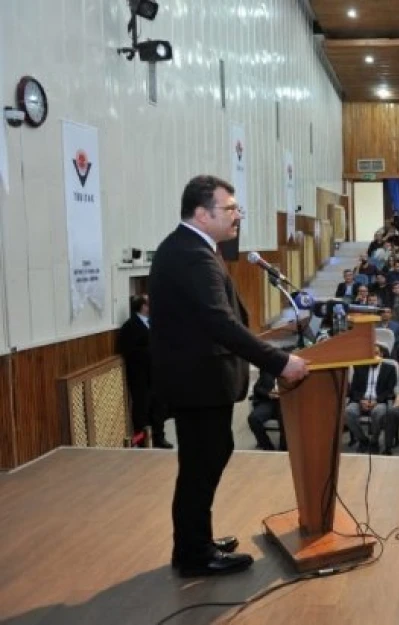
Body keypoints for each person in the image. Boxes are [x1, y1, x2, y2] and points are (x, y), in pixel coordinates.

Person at [150, 175, 309, 578]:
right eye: (231, 208)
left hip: (198, 381)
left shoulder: (192, 248)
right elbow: (218, 322)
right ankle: (193, 553)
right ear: (203, 214)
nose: (238, 215)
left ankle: (194, 541)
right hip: (199, 383)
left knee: (204, 462)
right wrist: (279, 362)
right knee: (201, 466)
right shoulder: (192, 254)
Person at [118, 293, 171, 448]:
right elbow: (128, 350)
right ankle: (142, 440)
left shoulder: (156, 323)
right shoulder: (130, 326)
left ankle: (159, 437)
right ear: (142, 307)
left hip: (157, 373)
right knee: (142, 408)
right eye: (149, 303)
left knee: (159, 407)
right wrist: (150, 351)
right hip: (141, 376)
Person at [345, 357, 398, 453]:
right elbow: (354, 389)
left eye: (377, 353)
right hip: (361, 401)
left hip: (379, 401)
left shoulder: (390, 368)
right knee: (348, 412)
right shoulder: (359, 367)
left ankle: (374, 441)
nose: (374, 356)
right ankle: (363, 440)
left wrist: (377, 401)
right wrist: (361, 400)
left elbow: (390, 390)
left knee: (378, 412)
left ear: (381, 355)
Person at [245, 371, 284, 451]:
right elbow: (257, 388)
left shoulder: (293, 372)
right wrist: (268, 394)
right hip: (268, 402)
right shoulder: (267, 371)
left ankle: (284, 448)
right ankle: (267, 447)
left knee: (285, 419)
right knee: (253, 419)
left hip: (285, 402)